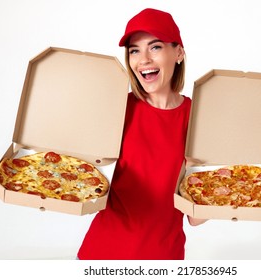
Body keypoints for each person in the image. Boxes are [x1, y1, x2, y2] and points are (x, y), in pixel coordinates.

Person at [77, 8, 205, 260]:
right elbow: (83, 175)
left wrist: (228, 199)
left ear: (178, 52)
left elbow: (195, 218)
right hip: (102, 253)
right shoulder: (118, 108)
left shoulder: (199, 118)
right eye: (134, 50)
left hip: (164, 257)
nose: (143, 59)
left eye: (155, 47)